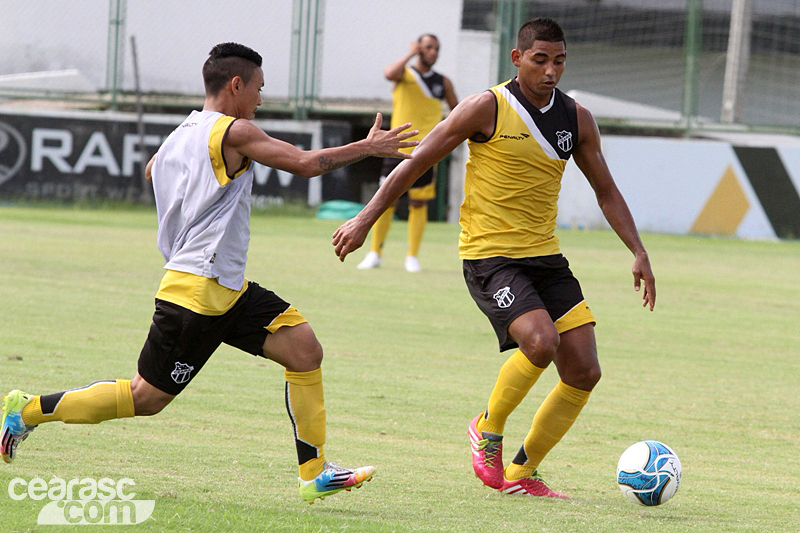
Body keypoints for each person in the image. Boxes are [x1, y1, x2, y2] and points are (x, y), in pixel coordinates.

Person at [1, 42, 418, 504]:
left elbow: (151, 170)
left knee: (304, 349)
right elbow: (304, 164)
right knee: (145, 399)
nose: (261, 99)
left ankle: (314, 473)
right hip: (197, 292)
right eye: (258, 88)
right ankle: (27, 410)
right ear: (236, 85)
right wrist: (369, 146)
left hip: (226, 287)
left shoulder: (181, 133)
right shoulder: (232, 132)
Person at [333, 18, 656, 498]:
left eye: (559, 61)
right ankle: (488, 426)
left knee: (585, 370)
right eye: (540, 60)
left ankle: (524, 474)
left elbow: (605, 190)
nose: (551, 71)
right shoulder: (487, 106)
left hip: (545, 257)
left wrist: (638, 250)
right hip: (490, 256)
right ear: (517, 58)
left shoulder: (577, 119)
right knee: (540, 343)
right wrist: (364, 219)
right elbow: (417, 161)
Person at [357, 34, 458, 273]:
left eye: (437, 48)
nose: (433, 52)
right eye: (428, 47)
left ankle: (412, 256)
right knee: (387, 199)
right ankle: (375, 253)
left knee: (419, 201)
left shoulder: (442, 82)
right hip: (397, 146)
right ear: (418, 48)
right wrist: (411, 53)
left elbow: (458, 110)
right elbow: (389, 74)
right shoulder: (404, 74)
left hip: (426, 148)